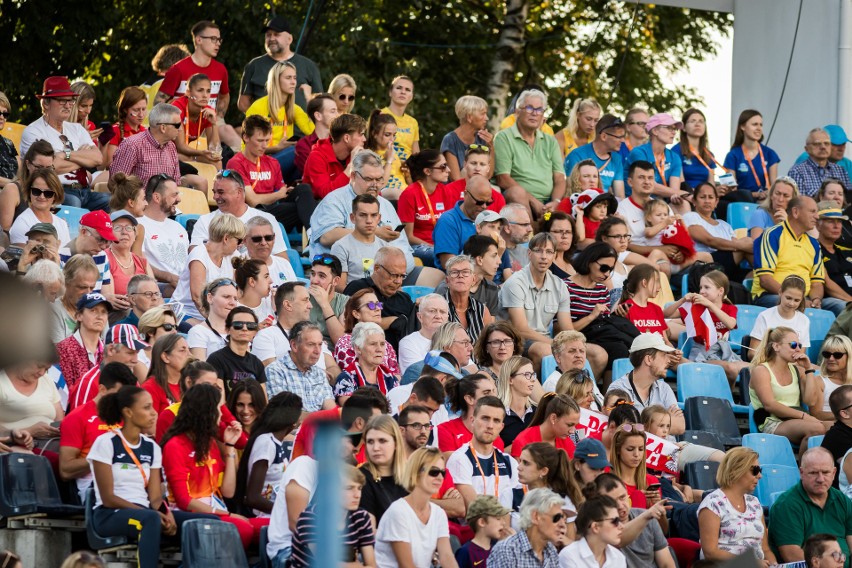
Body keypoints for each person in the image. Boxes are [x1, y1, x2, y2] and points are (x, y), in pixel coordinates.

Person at [89, 385, 218, 568]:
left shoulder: (152, 448)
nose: (153, 413)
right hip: (110, 515)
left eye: (152, 407)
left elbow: (156, 497)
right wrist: (152, 513)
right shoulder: (106, 443)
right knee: (150, 520)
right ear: (128, 412)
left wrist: (166, 514)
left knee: (207, 523)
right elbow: (108, 498)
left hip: (146, 512)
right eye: (146, 407)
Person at [161, 384, 263, 549]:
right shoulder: (175, 445)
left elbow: (228, 492)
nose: (221, 414)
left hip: (216, 510)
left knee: (270, 526)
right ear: (205, 412)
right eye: (218, 409)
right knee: (243, 529)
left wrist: (230, 446)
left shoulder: (208, 443)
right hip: (190, 515)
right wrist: (227, 514)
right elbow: (184, 500)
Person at [20, 76, 109, 211]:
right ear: (45, 104)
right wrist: (83, 159)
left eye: (70, 101)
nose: (68, 106)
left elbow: (97, 159)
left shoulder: (77, 128)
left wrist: (64, 154)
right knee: (73, 205)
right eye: (62, 101)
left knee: (115, 202)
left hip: (85, 190)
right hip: (54, 192)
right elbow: (49, 168)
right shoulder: (34, 132)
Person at [499, 233, 584, 373]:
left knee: (596, 353)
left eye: (549, 252)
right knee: (545, 351)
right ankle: (545, 393)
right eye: (538, 251)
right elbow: (520, 329)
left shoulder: (560, 285)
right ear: (529, 253)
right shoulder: (515, 283)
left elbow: (567, 328)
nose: (544, 256)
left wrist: (576, 345)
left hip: (545, 340)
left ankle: (580, 391)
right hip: (515, 340)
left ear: (555, 256)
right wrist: (556, 344)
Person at [309, 150, 408, 256]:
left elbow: (403, 244)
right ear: (353, 176)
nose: (375, 185)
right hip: (348, 269)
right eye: (369, 179)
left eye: (379, 179)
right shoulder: (334, 200)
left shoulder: (386, 205)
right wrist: (375, 232)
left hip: (398, 268)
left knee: (427, 271)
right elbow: (327, 237)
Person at [226, 115, 315, 233]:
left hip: (276, 211)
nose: (265, 146)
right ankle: (314, 237)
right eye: (260, 141)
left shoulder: (272, 162)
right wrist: (278, 195)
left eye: (267, 140)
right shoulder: (236, 163)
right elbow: (253, 201)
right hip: (252, 215)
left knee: (304, 189)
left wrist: (286, 193)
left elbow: (282, 192)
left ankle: (312, 236)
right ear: (246, 137)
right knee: (303, 208)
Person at [61, 366, 137, 503]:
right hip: (95, 486)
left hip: (131, 480)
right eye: (118, 395)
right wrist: (104, 457)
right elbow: (65, 470)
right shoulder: (78, 417)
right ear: (102, 389)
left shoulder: (127, 416)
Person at [374, 447, 457, 568]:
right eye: (433, 472)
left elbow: (447, 557)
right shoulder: (398, 511)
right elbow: (406, 565)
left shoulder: (438, 513)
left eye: (442, 472)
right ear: (416, 472)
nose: (440, 477)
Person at [331, 195, 437, 290]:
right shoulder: (341, 247)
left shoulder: (385, 247)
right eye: (363, 215)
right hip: (355, 304)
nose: (369, 220)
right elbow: (340, 287)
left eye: (373, 215)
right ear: (353, 218)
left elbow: (395, 285)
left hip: (383, 303)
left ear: (379, 218)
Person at [770, 447, 852, 564]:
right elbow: (792, 555)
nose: (820, 479)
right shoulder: (786, 505)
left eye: (825, 472)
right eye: (813, 473)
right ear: (801, 473)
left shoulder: (842, 500)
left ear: (834, 473)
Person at [749, 326, 825, 451]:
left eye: (799, 345)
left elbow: (810, 401)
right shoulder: (761, 370)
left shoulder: (798, 370)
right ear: (776, 346)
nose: (798, 349)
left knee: (838, 428)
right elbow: (770, 405)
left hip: (797, 419)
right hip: (773, 421)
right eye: (793, 345)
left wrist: (809, 370)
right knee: (817, 429)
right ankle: (805, 469)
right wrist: (804, 416)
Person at [494, 89, 566, 220]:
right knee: (516, 192)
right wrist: (532, 200)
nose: (534, 113)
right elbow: (502, 178)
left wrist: (555, 202)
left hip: (548, 204)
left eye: (539, 110)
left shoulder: (550, 141)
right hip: (518, 202)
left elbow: (560, 179)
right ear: (517, 111)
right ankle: (529, 236)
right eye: (529, 108)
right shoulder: (503, 137)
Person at [696, 447, 775, 564]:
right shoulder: (712, 503)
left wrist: (776, 566)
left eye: (760, 470)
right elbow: (710, 552)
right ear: (736, 470)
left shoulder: (754, 502)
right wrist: (751, 563)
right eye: (755, 470)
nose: (759, 476)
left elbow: (765, 549)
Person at [189, 170, 287, 261]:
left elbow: (282, 260)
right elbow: (195, 257)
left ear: (239, 192)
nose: (215, 197)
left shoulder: (267, 219)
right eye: (214, 192)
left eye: (221, 192)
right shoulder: (205, 221)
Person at [290, 464, 376, 568]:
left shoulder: (361, 516)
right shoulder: (310, 518)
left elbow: (371, 564)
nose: (357, 495)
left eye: (359, 488)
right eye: (349, 488)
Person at [752, 196, 830, 310]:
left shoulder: (814, 244)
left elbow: (817, 283)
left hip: (804, 299)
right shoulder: (772, 235)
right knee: (793, 306)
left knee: (841, 306)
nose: (817, 217)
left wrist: (816, 300)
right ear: (795, 212)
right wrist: (797, 300)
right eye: (812, 211)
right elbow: (765, 280)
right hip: (771, 295)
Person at [565, 243, 634, 366]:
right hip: (574, 338)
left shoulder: (602, 290)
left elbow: (603, 325)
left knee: (626, 347)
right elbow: (561, 330)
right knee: (618, 348)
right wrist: (591, 316)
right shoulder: (565, 287)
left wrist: (617, 314)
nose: (607, 274)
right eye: (603, 268)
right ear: (589, 261)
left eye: (610, 270)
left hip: (598, 337)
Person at [235, 391, 302, 518]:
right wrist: (285, 511)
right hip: (265, 517)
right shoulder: (266, 443)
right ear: (294, 422)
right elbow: (253, 498)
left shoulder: (274, 441)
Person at [238, 16, 323, 114]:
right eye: (268, 35)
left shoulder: (308, 66)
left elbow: (320, 101)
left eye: (276, 34)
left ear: (289, 39)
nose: (271, 38)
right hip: (266, 128)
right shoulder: (253, 66)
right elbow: (243, 103)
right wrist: (259, 123)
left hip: (301, 128)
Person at [587, 473, 674, 568]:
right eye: (611, 502)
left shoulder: (649, 518)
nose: (620, 506)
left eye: (622, 497)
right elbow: (620, 540)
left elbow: (666, 564)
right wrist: (646, 516)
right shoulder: (598, 528)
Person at [447, 395, 518, 510]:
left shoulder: (510, 462)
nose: (490, 426)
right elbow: (474, 509)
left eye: (496, 421)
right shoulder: (460, 459)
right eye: (485, 418)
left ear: (501, 427)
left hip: (506, 525)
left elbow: (517, 504)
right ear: (472, 420)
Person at [244, 62, 313, 182]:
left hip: (282, 163)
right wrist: (275, 148)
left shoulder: (293, 109)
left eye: (295, 78)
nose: (293, 82)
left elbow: (313, 132)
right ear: (276, 80)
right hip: (258, 163)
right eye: (288, 78)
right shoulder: (258, 107)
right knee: (298, 150)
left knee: (308, 155)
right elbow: (245, 147)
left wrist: (309, 99)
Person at [342, 247, 418, 351]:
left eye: (402, 276)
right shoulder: (358, 288)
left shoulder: (404, 299)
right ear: (377, 268)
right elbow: (347, 325)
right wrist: (391, 322)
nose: (398, 281)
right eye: (394, 275)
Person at [172, 214, 244, 323]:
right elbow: (197, 297)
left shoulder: (233, 256)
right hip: (186, 312)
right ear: (226, 238)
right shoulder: (199, 254)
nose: (241, 245)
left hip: (215, 312)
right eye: (239, 240)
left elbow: (236, 291)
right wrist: (215, 322)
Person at [607, 333, 684, 432]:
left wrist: (641, 423)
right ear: (649, 359)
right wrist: (666, 420)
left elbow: (680, 426)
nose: (668, 360)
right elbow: (623, 429)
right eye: (663, 355)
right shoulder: (618, 389)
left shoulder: (664, 388)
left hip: (671, 447)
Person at [156, 21, 230, 124]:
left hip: (208, 123)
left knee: (228, 130)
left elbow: (224, 96)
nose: (218, 43)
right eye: (213, 39)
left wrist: (219, 116)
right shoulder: (178, 69)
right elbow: (158, 102)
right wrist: (171, 123)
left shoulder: (221, 69)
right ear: (198, 39)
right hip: (181, 126)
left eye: (219, 39)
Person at [616, 161, 681, 272]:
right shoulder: (621, 209)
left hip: (669, 257)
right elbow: (626, 246)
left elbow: (676, 233)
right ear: (630, 182)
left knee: (703, 258)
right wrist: (659, 250)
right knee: (663, 267)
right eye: (641, 177)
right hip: (638, 260)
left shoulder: (662, 205)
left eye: (650, 178)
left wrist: (680, 251)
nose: (647, 182)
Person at [67, 324, 148, 411]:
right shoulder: (89, 383)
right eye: (130, 353)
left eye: (137, 353)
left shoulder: (131, 379)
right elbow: (77, 421)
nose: (135, 360)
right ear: (111, 350)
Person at [397, 149, 458, 265]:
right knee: (448, 260)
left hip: (442, 246)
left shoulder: (446, 191)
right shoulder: (409, 194)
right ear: (427, 171)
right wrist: (436, 248)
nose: (448, 170)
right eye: (443, 166)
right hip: (417, 247)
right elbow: (408, 237)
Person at [684, 182, 754, 278]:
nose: (707, 201)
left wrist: (744, 245)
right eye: (703, 197)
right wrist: (744, 245)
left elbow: (735, 244)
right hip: (705, 266)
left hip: (727, 266)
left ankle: (766, 277)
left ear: (716, 202)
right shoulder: (690, 217)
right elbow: (710, 240)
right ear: (694, 201)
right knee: (746, 244)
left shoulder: (725, 225)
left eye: (711, 197)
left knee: (754, 275)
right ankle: (767, 274)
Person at [624, 113, 690, 214]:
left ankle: (683, 230)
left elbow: (673, 191)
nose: (673, 132)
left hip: (659, 203)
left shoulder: (675, 157)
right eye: (669, 128)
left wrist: (677, 195)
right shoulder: (639, 153)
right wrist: (685, 194)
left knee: (682, 204)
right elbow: (649, 186)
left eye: (674, 129)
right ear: (655, 131)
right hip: (636, 202)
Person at [265, 321, 335, 412]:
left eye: (320, 344)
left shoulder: (319, 373)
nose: (317, 351)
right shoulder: (275, 371)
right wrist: (323, 418)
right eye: (311, 344)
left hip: (320, 424)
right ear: (294, 345)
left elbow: (331, 409)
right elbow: (285, 414)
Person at [109, 103, 182, 188]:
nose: (180, 130)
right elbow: (115, 185)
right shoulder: (132, 145)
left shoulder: (171, 147)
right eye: (177, 125)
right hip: (136, 200)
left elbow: (176, 184)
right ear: (163, 128)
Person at [488, 488, 565, 567]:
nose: (562, 524)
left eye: (563, 518)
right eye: (556, 517)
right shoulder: (506, 551)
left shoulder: (551, 551)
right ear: (535, 517)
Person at [137, 175, 187, 295]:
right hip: (156, 288)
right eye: (174, 195)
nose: (179, 199)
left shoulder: (178, 227)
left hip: (183, 286)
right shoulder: (138, 224)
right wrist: (170, 278)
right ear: (157, 197)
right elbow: (139, 263)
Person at [434, 175, 496, 268]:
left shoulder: (488, 219)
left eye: (488, 202)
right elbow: (449, 265)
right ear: (465, 194)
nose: (484, 206)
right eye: (479, 202)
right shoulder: (448, 221)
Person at [206, 306, 267, 399]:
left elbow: (262, 401)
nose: (245, 329)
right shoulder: (216, 359)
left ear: (255, 332)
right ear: (227, 329)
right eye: (238, 325)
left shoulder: (257, 363)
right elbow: (219, 402)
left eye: (251, 326)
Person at [358, 414, 409, 524]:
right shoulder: (361, 478)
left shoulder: (411, 475)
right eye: (370, 442)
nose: (375, 448)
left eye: (382, 441)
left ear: (396, 443)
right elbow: (369, 532)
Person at [56, 292, 111, 392]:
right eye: (93, 311)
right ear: (79, 316)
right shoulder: (64, 349)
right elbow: (62, 392)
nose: (99, 316)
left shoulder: (109, 351)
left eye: (103, 312)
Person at [334, 322, 400, 405]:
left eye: (382, 344)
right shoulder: (346, 379)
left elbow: (398, 408)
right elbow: (351, 411)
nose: (379, 349)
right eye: (373, 344)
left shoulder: (390, 378)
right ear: (358, 348)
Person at [302, 113, 366, 199]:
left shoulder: (356, 154)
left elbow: (371, 187)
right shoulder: (316, 156)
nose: (364, 139)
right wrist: (351, 166)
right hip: (320, 205)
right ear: (347, 138)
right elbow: (325, 194)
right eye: (361, 134)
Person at [436, 373, 502, 456]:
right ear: (470, 399)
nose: (494, 397)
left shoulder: (494, 438)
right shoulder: (446, 431)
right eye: (486, 393)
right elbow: (452, 466)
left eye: (493, 391)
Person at [251, 282, 316, 366]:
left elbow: (332, 367)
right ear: (288, 305)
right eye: (305, 300)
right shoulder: (265, 336)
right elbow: (272, 374)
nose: (310, 306)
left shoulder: (314, 335)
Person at [748, 275, 811, 358]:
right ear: (780, 292)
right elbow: (752, 353)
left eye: (796, 300)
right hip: (767, 364)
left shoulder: (804, 320)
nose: (791, 303)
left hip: (791, 366)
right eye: (788, 298)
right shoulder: (765, 316)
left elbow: (800, 354)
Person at [564, 114, 626, 198]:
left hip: (604, 206)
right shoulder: (577, 155)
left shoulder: (616, 159)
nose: (623, 140)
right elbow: (570, 191)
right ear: (604, 136)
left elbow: (619, 196)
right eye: (619, 137)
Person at [723, 109, 780, 197]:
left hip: (764, 202)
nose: (759, 128)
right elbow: (732, 191)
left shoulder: (770, 154)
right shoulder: (733, 155)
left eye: (761, 125)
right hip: (742, 201)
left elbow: (774, 187)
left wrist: (766, 194)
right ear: (742, 127)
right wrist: (755, 194)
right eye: (754, 124)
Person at [559, 494, 627, 568]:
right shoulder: (569, 556)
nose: (621, 526)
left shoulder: (619, 558)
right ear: (595, 527)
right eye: (615, 521)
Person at [9, 167, 70, 248]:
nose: (42, 196)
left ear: (55, 195)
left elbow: (66, 257)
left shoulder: (62, 224)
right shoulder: (22, 223)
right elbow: (24, 258)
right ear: (29, 192)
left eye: (48, 193)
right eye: (36, 191)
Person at [171, 73, 222, 167]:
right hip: (165, 151)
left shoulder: (208, 111)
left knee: (217, 162)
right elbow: (180, 146)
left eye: (208, 91)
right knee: (183, 157)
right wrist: (201, 153)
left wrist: (214, 124)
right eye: (200, 90)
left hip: (184, 154)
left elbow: (214, 149)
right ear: (188, 92)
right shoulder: (177, 108)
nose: (205, 95)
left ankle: (218, 182)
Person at [442, 255, 493, 343]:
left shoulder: (482, 310)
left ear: (473, 279)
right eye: (454, 272)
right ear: (447, 281)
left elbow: (488, 343)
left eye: (465, 272)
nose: (460, 276)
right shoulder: (438, 307)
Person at [441, 95, 494, 181]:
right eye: (483, 114)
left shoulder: (482, 138)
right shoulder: (450, 140)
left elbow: (488, 175)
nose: (487, 118)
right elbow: (456, 179)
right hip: (459, 191)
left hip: (478, 186)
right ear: (469, 117)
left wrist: (491, 146)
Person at [511, 393, 580, 459]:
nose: (572, 431)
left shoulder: (568, 443)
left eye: (575, 425)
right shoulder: (523, 441)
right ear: (553, 418)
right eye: (569, 425)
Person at [609, 423, 660, 511]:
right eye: (630, 449)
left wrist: (658, 507)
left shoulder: (651, 481)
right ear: (618, 450)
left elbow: (662, 524)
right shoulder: (606, 480)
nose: (636, 454)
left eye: (641, 449)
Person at [789, 128, 852, 198]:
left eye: (826, 143)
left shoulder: (841, 171)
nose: (823, 147)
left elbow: (848, 200)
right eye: (817, 144)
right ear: (807, 149)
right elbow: (800, 203)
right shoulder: (797, 172)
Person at [50, 255, 99, 343]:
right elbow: (61, 353)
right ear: (65, 282)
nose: (88, 293)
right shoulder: (54, 309)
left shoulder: (99, 309)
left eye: (92, 288)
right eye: (82, 287)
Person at [104, 210, 153, 298]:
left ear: (135, 235)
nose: (124, 232)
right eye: (118, 228)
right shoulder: (104, 258)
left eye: (129, 228)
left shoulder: (142, 262)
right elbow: (110, 299)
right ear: (109, 233)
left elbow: (154, 293)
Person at [186, 278, 238, 359]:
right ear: (210, 298)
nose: (232, 303)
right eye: (226, 297)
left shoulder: (240, 330)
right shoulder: (198, 332)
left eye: (235, 299)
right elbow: (200, 369)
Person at [398, 294, 449, 375]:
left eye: (442, 312)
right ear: (420, 316)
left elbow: (471, 368)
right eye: (432, 311)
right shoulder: (408, 342)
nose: (438, 316)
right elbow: (419, 374)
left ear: (447, 318)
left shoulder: (454, 340)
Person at [454, 495, 510, 568]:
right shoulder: (465, 552)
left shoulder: (498, 549)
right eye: (498, 518)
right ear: (482, 522)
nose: (503, 523)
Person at [380, 76, 420, 172]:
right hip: (384, 169)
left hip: (407, 173)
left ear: (412, 96)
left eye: (407, 90)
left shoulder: (413, 122)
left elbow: (416, 155)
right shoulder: (380, 115)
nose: (403, 92)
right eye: (399, 88)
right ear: (390, 92)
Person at [142, 334, 191, 413]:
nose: (189, 355)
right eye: (182, 350)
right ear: (165, 357)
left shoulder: (189, 383)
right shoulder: (150, 388)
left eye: (189, 350)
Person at [672, 108, 719, 192]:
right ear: (684, 128)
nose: (697, 124)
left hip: (705, 198)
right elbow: (681, 185)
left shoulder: (709, 154)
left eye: (701, 121)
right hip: (686, 196)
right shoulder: (676, 151)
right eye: (693, 121)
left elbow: (711, 184)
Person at [816, 202, 852, 310]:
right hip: (833, 300)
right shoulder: (813, 249)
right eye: (830, 221)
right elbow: (827, 284)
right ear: (818, 225)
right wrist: (850, 301)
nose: (836, 226)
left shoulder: (847, 251)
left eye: (839, 221)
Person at [244, 216, 297, 288]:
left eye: (268, 238)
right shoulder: (238, 266)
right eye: (257, 239)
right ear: (245, 240)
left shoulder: (284, 264)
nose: (263, 243)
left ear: (274, 238)